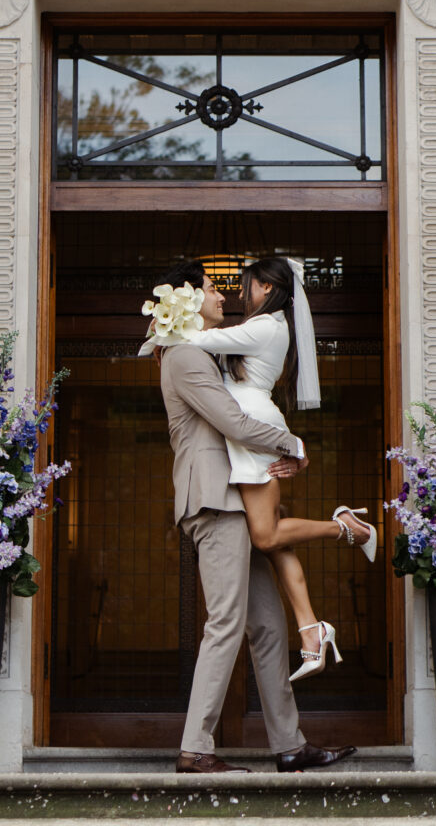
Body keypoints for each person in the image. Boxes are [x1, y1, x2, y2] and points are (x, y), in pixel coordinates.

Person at [151, 260, 356, 774]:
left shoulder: (208, 354)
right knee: (224, 624)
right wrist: (293, 444)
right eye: (211, 286)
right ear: (186, 297)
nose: (221, 294)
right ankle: (196, 748)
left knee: (265, 627)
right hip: (216, 502)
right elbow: (234, 423)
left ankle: (289, 745)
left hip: (236, 501)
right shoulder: (184, 355)